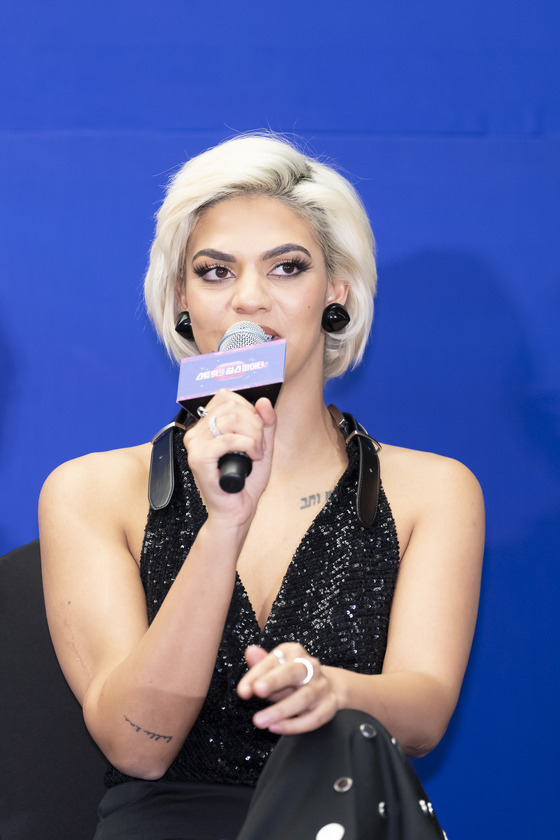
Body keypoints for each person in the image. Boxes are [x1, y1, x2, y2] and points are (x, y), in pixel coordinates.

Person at [39, 133, 484, 840]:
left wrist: (336, 691)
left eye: (286, 268)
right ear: (182, 297)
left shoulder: (433, 489)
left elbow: (426, 714)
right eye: (215, 273)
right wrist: (222, 526)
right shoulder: (92, 490)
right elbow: (137, 745)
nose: (248, 298)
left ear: (334, 290)